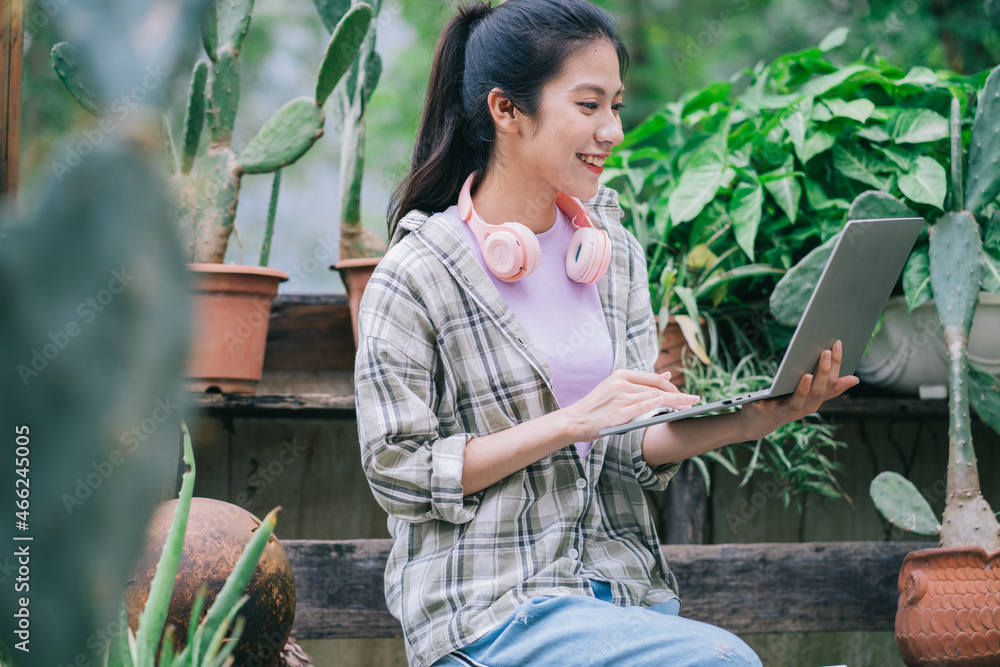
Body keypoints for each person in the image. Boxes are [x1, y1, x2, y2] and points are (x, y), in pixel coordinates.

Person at [355, 1, 859, 665]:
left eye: (616, 106)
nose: (613, 130)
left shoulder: (611, 254)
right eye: (589, 105)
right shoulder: (416, 272)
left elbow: (625, 446)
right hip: (491, 608)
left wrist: (755, 418)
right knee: (721, 660)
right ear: (506, 111)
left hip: (620, 596)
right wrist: (570, 421)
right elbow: (399, 472)